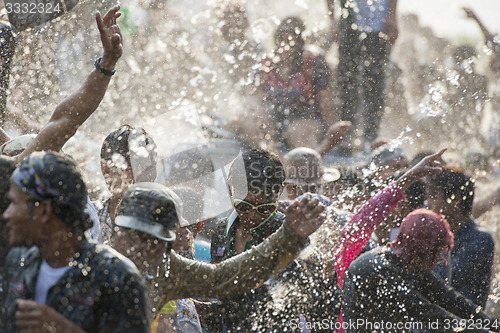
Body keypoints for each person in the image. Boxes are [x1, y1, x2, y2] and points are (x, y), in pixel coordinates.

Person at [110, 181, 326, 331]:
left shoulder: (166, 268)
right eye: (132, 235)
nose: (139, 247)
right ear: (115, 230)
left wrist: (290, 235)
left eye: (153, 240)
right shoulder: (93, 265)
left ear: (168, 242)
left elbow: (224, 277)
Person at [0, 151, 151, 332]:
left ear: (43, 211)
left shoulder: (117, 278)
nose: (7, 214)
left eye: (14, 203)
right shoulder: (18, 261)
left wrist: (65, 329)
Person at [208, 148, 341, 331]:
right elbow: (225, 305)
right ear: (231, 188)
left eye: (264, 208)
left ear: (279, 192)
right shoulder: (221, 232)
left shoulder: (291, 234)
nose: (252, 215)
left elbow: (315, 301)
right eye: (243, 205)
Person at [0, 4, 123, 163]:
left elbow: (64, 120)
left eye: (3, 59)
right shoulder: (16, 169)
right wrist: (107, 64)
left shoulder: (14, 165)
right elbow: (66, 121)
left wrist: (107, 63)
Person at [342, 209, 500, 333]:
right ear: (424, 251)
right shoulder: (381, 271)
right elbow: (431, 315)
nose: (440, 259)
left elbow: (452, 300)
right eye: (438, 252)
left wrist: (493, 326)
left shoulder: (407, 262)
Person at [256, 16, 336, 151]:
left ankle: (310, 164)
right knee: (249, 122)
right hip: (274, 120)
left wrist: (334, 135)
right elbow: (254, 99)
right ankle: (275, 160)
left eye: (291, 41)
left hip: (307, 119)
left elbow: (326, 102)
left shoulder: (314, 62)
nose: (286, 47)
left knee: (297, 132)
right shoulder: (266, 64)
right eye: (282, 40)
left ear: (301, 43)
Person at [331, 0, 398, 150]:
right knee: (347, 81)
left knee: (375, 82)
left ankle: (371, 136)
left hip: (379, 22)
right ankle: (345, 136)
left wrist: (392, 14)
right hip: (348, 20)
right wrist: (333, 19)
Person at [427, 168, 495, 308]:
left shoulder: (479, 239)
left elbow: (447, 281)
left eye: (434, 195)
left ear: (455, 199)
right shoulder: (435, 234)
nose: (428, 203)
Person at [98, 124, 158, 243]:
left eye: (150, 168)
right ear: (107, 170)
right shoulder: (90, 220)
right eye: (136, 168)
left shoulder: (166, 226)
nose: (147, 178)